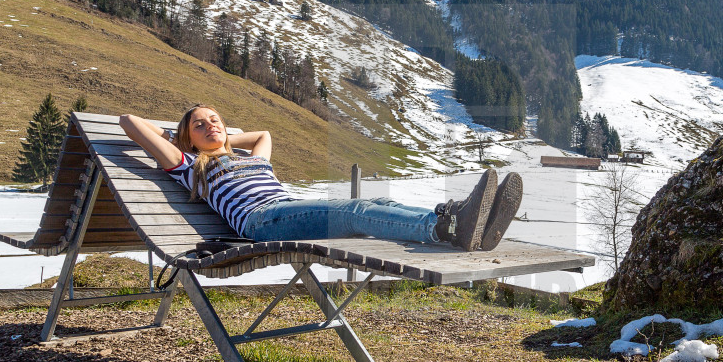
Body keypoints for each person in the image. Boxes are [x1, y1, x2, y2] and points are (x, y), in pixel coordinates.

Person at [119, 105, 523, 251]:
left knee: (375, 205)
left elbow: (264, 134)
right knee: (355, 210)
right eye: (199, 125)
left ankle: (461, 223)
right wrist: (183, 143)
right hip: (261, 221)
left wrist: (223, 139)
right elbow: (130, 122)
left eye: (215, 120)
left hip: (283, 211)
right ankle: (447, 226)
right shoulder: (190, 167)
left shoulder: (247, 155)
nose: (210, 126)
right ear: (185, 138)